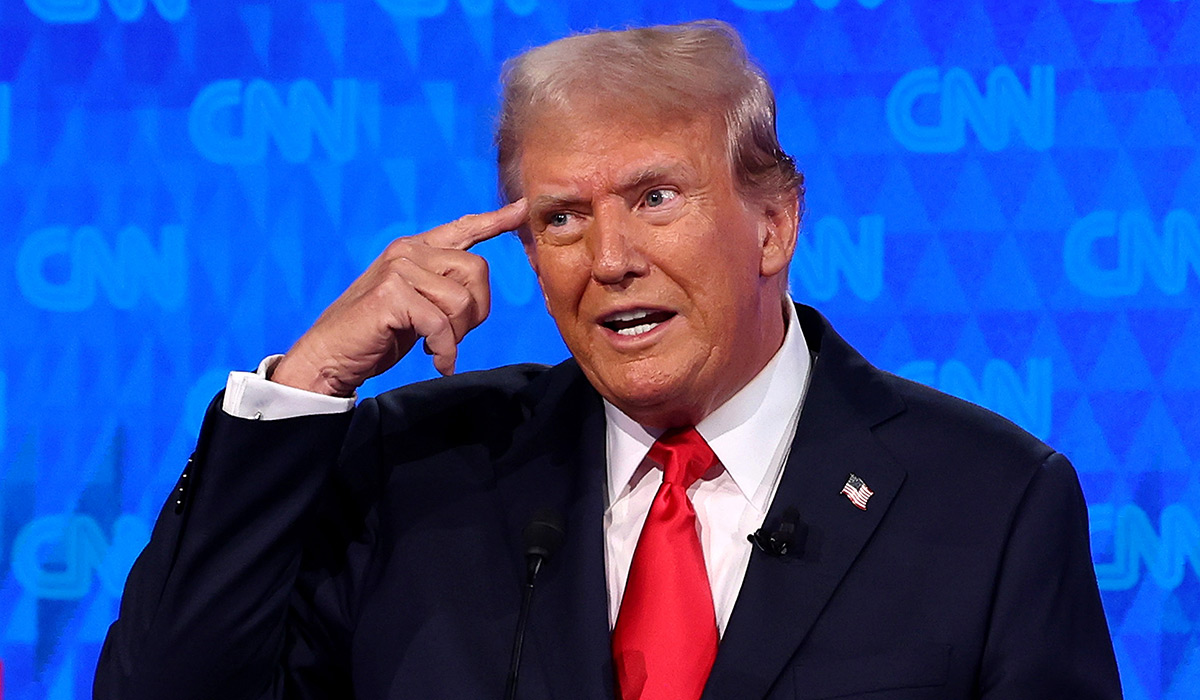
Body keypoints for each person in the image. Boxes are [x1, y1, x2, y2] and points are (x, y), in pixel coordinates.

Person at [95, 20, 1122, 700]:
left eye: (654, 198)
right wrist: (307, 387)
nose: (612, 260)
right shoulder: (414, 471)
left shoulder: (990, 503)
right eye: (562, 217)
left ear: (773, 224)